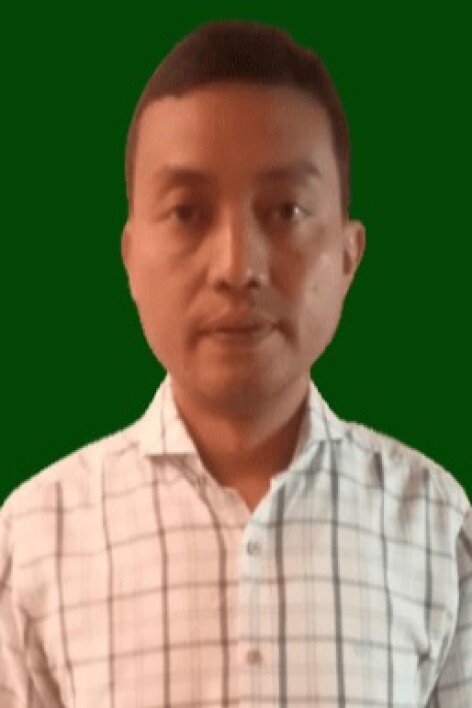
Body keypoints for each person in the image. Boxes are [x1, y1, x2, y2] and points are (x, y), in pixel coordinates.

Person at [1, 19, 470, 707]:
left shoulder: (435, 525)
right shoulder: (36, 537)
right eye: (187, 212)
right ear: (131, 258)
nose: (237, 265)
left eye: (286, 210)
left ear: (348, 254)